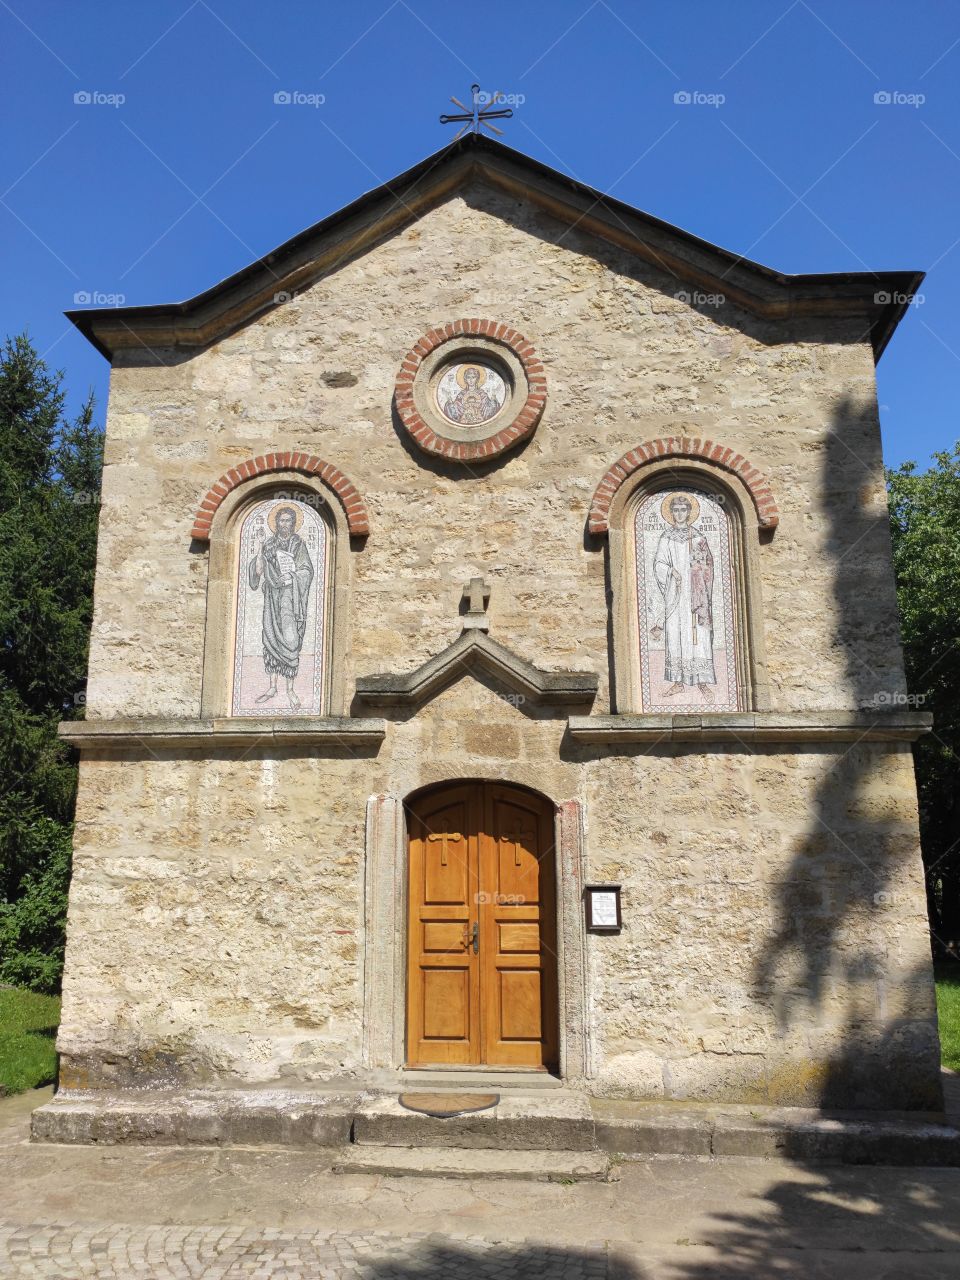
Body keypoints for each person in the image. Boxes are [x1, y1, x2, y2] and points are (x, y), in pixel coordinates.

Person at [248, 505, 313, 709]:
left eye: (288, 521)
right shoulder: (268, 544)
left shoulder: (298, 544)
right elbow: (257, 572)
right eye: (281, 521)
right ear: (276, 523)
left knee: (291, 640)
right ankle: (272, 687)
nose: (284, 524)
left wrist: (292, 577)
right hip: (272, 597)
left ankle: (291, 690)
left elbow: (306, 571)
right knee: (270, 638)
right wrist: (259, 549)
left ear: (293, 524)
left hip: (290, 599)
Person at [652, 494, 716, 701]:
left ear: (689, 512)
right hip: (676, 594)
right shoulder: (666, 537)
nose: (680, 514)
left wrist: (698, 573)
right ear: (671, 513)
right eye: (676, 510)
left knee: (699, 636)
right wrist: (671, 571)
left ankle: (702, 682)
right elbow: (659, 564)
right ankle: (678, 682)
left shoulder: (698, 538)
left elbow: (708, 567)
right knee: (676, 633)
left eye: (683, 510)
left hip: (695, 595)